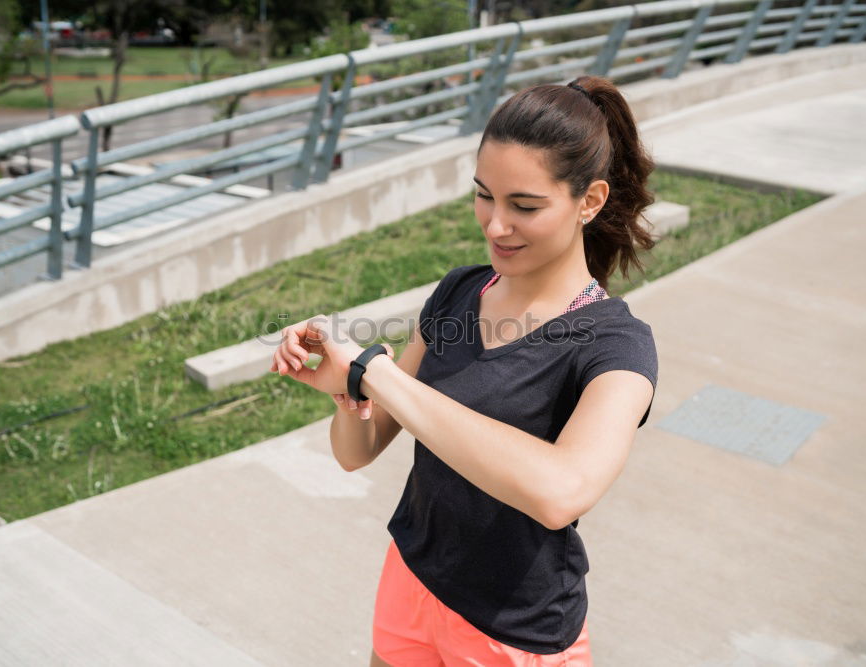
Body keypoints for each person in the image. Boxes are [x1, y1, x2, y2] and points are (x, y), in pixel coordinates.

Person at [270, 73, 659, 666]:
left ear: (590, 201)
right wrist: (348, 391)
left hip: (514, 629)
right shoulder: (458, 292)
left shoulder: (615, 343)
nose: (494, 225)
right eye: (485, 195)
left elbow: (562, 491)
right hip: (412, 575)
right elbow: (360, 449)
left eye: (524, 206)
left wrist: (373, 369)